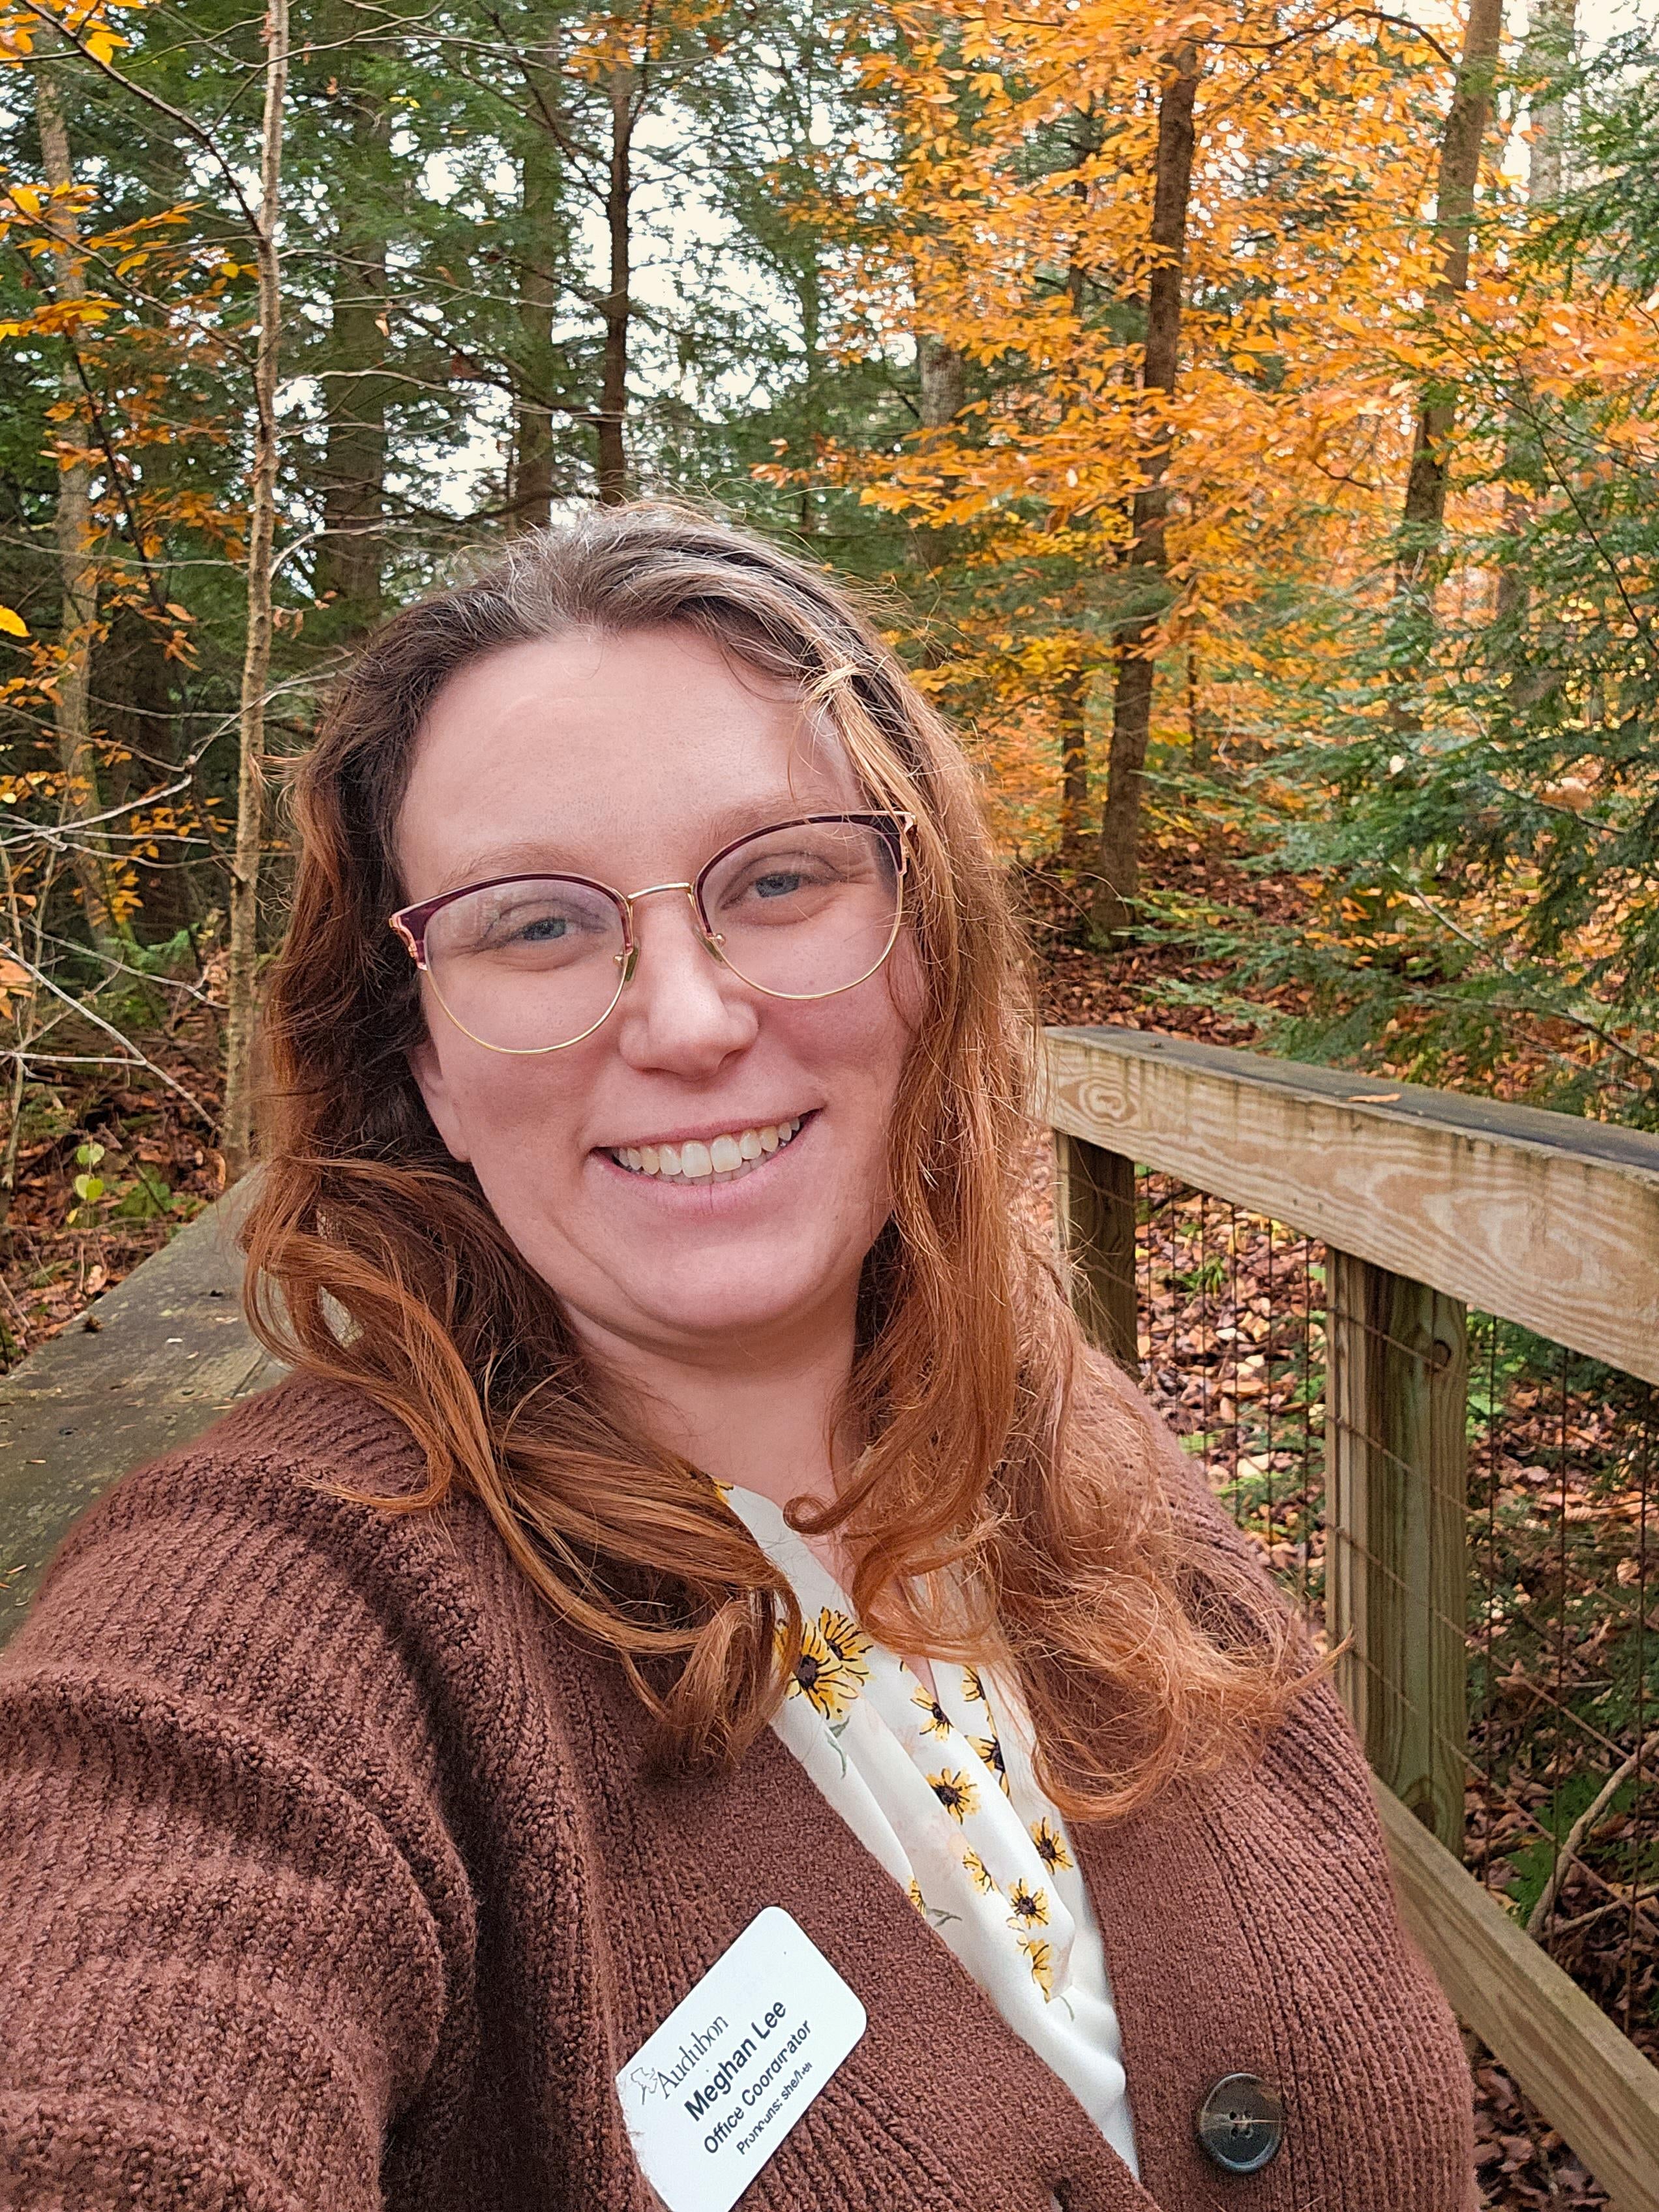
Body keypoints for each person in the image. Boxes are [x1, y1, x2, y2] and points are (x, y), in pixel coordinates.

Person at [0, 505, 1474, 2211]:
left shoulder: (1074, 1438)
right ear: (422, 1062)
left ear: (926, 944)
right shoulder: (282, 1614)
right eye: (535, 925)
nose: (689, 1020)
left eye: (778, 882)